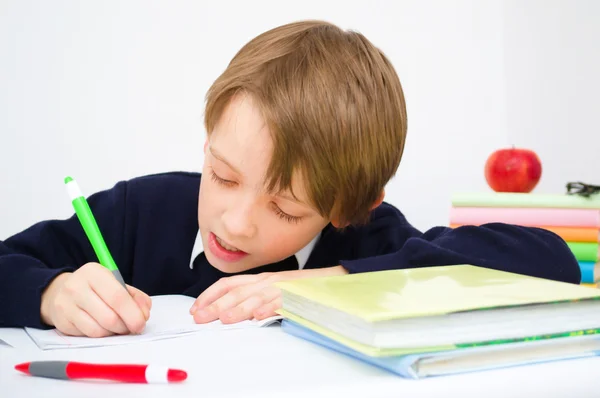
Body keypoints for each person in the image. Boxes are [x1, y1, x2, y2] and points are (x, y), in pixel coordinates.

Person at [0, 20, 579, 337]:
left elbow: (551, 260)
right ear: (208, 141)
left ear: (347, 209)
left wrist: (336, 281)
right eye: (223, 176)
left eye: (285, 210)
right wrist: (51, 294)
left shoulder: (367, 239)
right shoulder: (139, 211)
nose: (236, 220)